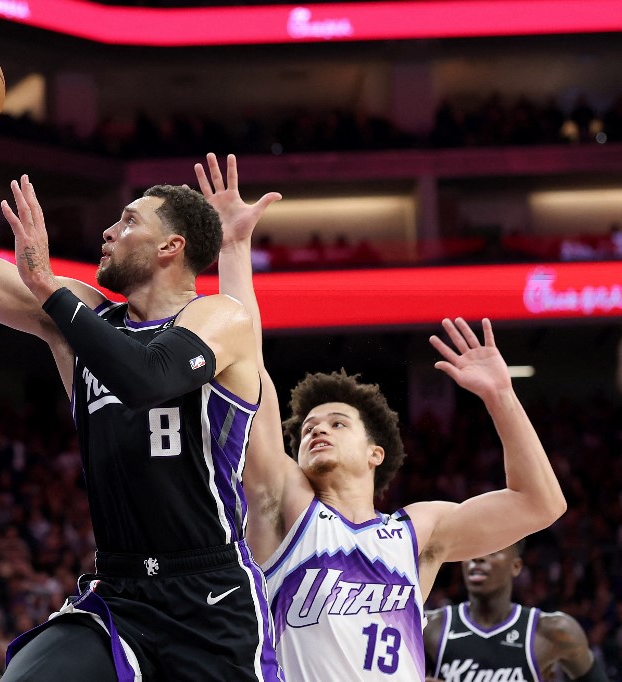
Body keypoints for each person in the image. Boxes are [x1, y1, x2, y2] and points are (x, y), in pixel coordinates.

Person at [0, 44, 281, 682]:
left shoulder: (220, 320)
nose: (108, 231)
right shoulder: (79, 320)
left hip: (211, 597)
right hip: (116, 594)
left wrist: (47, 289)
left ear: (172, 246)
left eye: (127, 221)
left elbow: (147, 377)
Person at [203, 152, 567, 680]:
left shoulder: (418, 532)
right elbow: (248, 370)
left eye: (336, 423)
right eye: (307, 428)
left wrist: (501, 397)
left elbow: (540, 504)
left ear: (376, 453)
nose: (316, 429)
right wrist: (234, 249)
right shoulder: (285, 504)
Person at [423, 539, 608, 682]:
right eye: (472, 550)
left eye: (492, 551)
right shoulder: (428, 628)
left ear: (516, 566)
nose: (478, 557)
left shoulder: (555, 631)